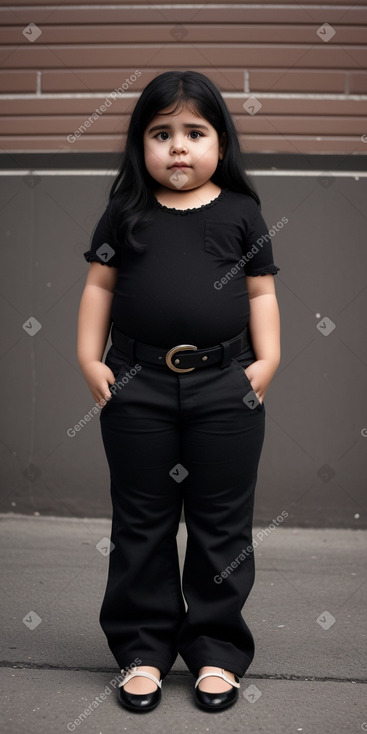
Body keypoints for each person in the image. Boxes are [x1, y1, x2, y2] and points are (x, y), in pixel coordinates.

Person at [77, 70, 280, 713]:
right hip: (136, 388)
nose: (178, 148)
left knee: (222, 524)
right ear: (141, 144)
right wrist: (88, 357)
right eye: (161, 134)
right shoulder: (125, 212)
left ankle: (217, 651)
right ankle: (142, 649)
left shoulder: (242, 213)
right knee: (143, 521)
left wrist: (268, 361)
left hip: (227, 387)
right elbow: (99, 289)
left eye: (195, 132)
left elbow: (262, 294)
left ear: (221, 142)